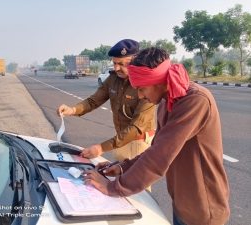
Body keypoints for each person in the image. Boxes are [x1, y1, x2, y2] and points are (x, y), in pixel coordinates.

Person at [83, 47, 230, 225]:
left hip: (204, 209)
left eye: (142, 89)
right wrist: (124, 167)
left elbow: (159, 157)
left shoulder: (195, 101)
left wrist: (112, 187)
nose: (140, 95)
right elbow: (155, 148)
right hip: (183, 202)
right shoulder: (166, 103)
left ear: (159, 81)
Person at [57, 39, 156, 161]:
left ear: (135, 62)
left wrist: (101, 148)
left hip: (139, 144)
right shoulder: (113, 79)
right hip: (119, 141)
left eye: (122, 64)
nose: (116, 68)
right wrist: (72, 110)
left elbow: (136, 128)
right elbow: (93, 101)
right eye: (114, 63)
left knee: (134, 179)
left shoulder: (146, 85)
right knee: (117, 177)